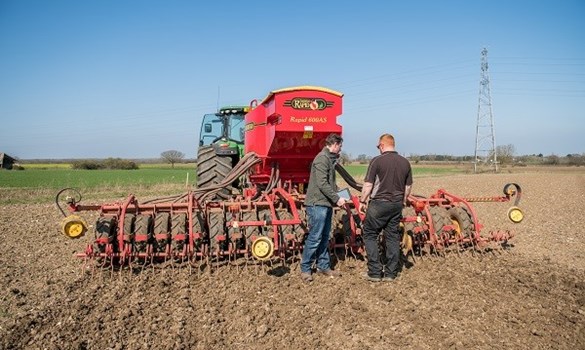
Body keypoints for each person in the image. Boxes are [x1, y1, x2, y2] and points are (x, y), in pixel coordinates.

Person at [359, 133, 412, 282]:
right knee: (392, 237)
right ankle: (390, 273)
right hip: (396, 205)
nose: (378, 149)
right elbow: (408, 187)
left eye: (378, 146)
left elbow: (368, 185)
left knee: (370, 234)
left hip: (379, 204)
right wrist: (403, 200)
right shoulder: (405, 162)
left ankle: (375, 272)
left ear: (382, 145)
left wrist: (363, 200)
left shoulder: (377, 161)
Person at [300, 133, 346, 282]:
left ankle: (323, 266)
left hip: (325, 204)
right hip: (317, 203)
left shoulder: (328, 160)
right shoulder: (321, 159)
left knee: (325, 237)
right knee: (315, 237)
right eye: (340, 147)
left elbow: (329, 184)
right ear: (334, 145)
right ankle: (305, 269)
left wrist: (339, 194)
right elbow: (322, 184)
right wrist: (337, 199)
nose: (340, 150)